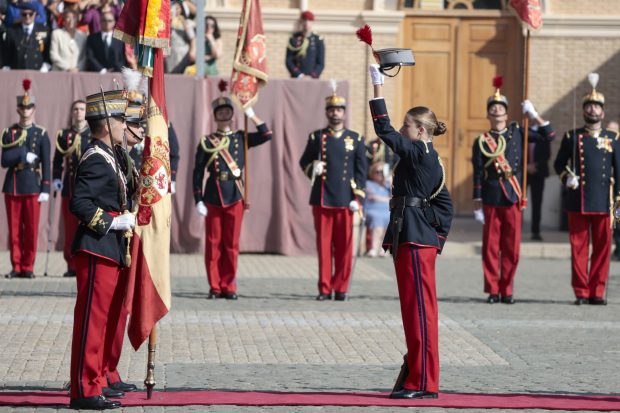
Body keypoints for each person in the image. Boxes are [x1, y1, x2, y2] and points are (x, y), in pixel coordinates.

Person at [368, 63, 453, 399]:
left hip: (417, 240)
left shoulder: (421, 152)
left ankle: (423, 382)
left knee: (419, 311)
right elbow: (445, 204)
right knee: (413, 311)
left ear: (421, 131)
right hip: (413, 236)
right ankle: (417, 375)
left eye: (407, 125)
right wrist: (438, 236)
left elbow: (384, 132)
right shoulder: (421, 155)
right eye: (404, 125)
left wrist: (378, 88)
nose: (401, 130)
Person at [68, 88, 134, 410]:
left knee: (101, 321)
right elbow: (78, 202)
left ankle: (94, 383)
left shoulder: (112, 156)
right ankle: (84, 389)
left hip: (109, 250)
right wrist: (110, 222)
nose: (125, 125)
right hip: (96, 248)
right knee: (91, 323)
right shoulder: (96, 157)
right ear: (107, 123)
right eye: (121, 119)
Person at [471, 76, 554, 304]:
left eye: (501, 108)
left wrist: (533, 114)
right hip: (490, 196)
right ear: (488, 115)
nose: (496, 110)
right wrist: (477, 200)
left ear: (507, 115)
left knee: (511, 248)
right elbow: (478, 171)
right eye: (493, 108)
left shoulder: (519, 131)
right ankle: (492, 290)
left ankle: (507, 290)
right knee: (490, 248)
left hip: (513, 196)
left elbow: (550, 135)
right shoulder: (481, 140)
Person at [192, 81, 273, 300]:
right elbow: (198, 172)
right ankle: (215, 286)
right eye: (221, 112)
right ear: (215, 116)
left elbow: (267, 135)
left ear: (232, 115)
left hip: (235, 195)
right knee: (213, 244)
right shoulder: (207, 141)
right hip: (213, 195)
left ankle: (229, 285)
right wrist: (198, 199)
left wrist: (252, 114)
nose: (225, 114)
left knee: (231, 245)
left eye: (228, 110)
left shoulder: (241, 136)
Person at [553, 73, 620, 306]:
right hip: (578, 200)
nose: (593, 110)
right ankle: (581, 291)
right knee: (579, 249)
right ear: (583, 110)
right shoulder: (572, 136)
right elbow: (558, 164)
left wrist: (618, 205)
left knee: (602, 251)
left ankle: (597, 292)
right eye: (589, 106)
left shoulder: (614, 138)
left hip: (604, 201)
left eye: (597, 106)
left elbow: (619, 171)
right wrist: (566, 178)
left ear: (603, 111)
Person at [299, 84, 367, 301]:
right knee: (324, 247)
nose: (335, 113)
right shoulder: (316, 137)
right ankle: (324, 288)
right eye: (331, 109)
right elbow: (303, 162)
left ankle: (342, 288)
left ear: (344, 113)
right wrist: (313, 168)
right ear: (326, 112)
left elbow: (361, 172)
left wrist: (358, 197)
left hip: (346, 200)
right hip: (322, 198)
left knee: (345, 249)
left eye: (339, 109)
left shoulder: (355, 139)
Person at [1, 79, 50, 279]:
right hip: (13, 184)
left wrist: (46, 187)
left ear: (33, 109)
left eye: (29, 106)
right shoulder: (9, 132)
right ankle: (17, 266)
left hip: (32, 184)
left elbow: (47, 162)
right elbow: (4, 160)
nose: (25, 110)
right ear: (18, 109)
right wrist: (21, 154)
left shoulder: (41, 133)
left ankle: (28, 266)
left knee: (30, 230)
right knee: (14, 230)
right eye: (22, 106)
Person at [52, 99, 91, 278]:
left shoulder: (93, 134)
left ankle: (86, 262)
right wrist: (55, 179)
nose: (78, 112)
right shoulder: (64, 135)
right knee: (70, 228)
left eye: (82, 109)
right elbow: (58, 161)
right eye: (75, 109)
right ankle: (71, 264)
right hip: (70, 186)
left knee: (87, 226)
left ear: (86, 112)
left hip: (89, 187)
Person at [525, 101, 557, 241]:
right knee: (518, 202)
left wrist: (535, 166)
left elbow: (547, 155)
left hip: (538, 172)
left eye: (532, 115)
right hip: (523, 172)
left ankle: (535, 231)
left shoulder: (542, 134)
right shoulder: (521, 131)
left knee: (537, 202)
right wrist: (525, 166)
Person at [130, 121, 179, 194]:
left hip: (156, 182)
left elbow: (174, 154)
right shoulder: (131, 120)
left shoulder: (162, 123)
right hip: (132, 180)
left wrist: (172, 179)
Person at [2, 2, 50, 70]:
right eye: (24, 14)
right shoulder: (12, 31)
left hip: (38, 71)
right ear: (20, 14)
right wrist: (6, 66)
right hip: (17, 71)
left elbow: (47, 51)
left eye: (30, 14)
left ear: (35, 14)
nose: (27, 17)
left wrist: (46, 64)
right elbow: (6, 52)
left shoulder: (44, 30)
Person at [285, 10, 324, 79]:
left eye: (309, 21)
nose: (306, 23)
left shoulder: (318, 40)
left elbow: (320, 63)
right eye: (304, 20)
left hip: (312, 79)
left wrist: (312, 76)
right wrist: (299, 75)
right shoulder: (294, 39)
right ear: (301, 22)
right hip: (297, 78)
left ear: (312, 22)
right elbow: (289, 61)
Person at [365, 161, 391, 257]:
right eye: (377, 172)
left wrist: (390, 181)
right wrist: (386, 199)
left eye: (382, 172)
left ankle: (383, 249)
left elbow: (393, 197)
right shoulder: (368, 184)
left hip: (386, 211)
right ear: (372, 172)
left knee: (388, 218)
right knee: (377, 217)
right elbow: (372, 197)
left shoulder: (387, 185)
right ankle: (374, 248)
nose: (380, 174)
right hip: (373, 210)